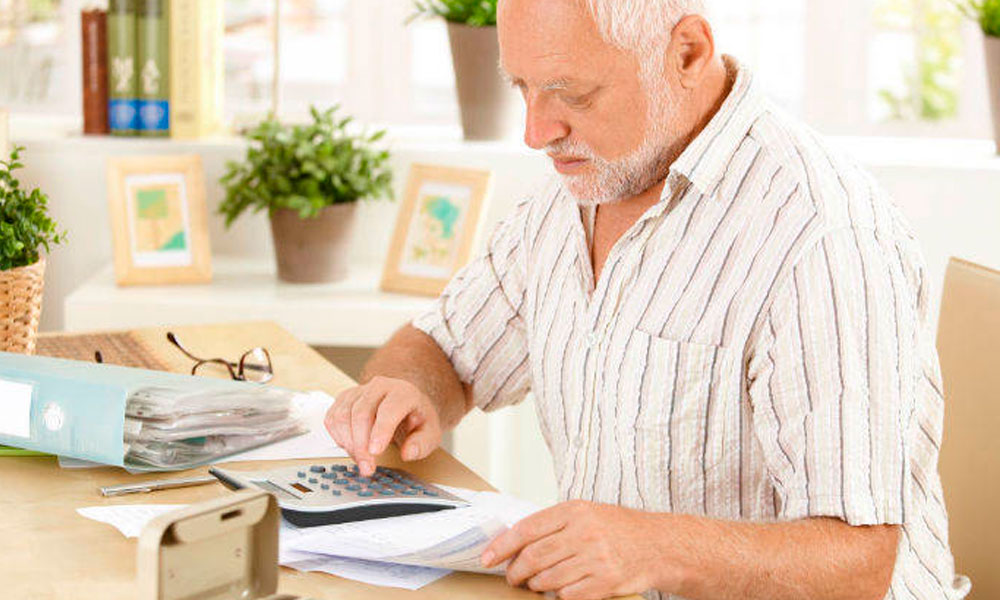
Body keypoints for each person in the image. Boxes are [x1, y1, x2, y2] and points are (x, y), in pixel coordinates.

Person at [325, 1, 969, 598]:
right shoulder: (580, 187)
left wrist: (653, 548)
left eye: (572, 93)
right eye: (522, 87)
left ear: (686, 53)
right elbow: (443, 348)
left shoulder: (822, 237)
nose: (536, 131)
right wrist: (405, 390)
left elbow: (857, 561)